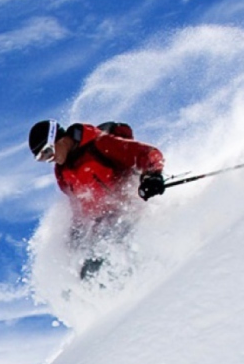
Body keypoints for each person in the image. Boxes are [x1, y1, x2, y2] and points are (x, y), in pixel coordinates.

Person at [28, 118, 166, 278]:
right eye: (42, 158)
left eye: (48, 152)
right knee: (86, 273)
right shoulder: (61, 173)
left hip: (129, 213)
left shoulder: (100, 144)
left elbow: (145, 153)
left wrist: (153, 175)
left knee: (102, 264)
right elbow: (78, 205)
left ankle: (149, 281)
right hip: (102, 225)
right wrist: (76, 232)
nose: (49, 159)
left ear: (60, 138)